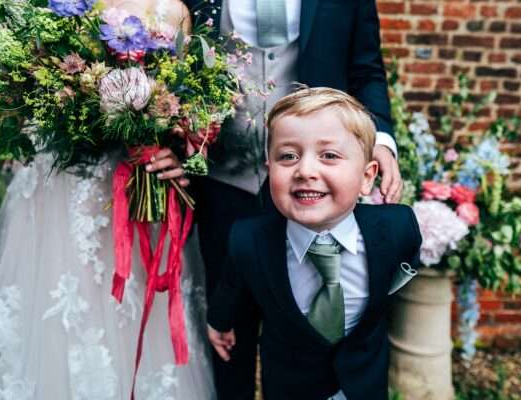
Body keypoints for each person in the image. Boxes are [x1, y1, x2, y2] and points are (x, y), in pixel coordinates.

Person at [158, 1, 403, 398]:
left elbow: (366, 69)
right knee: (226, 328)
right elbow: (170, 62)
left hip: (311, 190)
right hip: (223, 180)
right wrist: (164, 139)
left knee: (303, 337)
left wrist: (382, 144)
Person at [0, 1, 217, 398]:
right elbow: (0, 116)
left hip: (127, 199)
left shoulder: (170, 9)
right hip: (51, 199)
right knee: (49, 326)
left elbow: (184, 115)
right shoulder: (33, 8)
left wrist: (178, 156)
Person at [207, 88, 421, 400]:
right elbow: (232, 286)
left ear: (367, 177)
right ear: (270, 169)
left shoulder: (399, 228)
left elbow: (407, 264)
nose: (305, 171)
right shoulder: (248, 239)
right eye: (288, 156)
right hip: (288, 386)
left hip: (365, 384)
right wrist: (219, 322)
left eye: (329, 156)